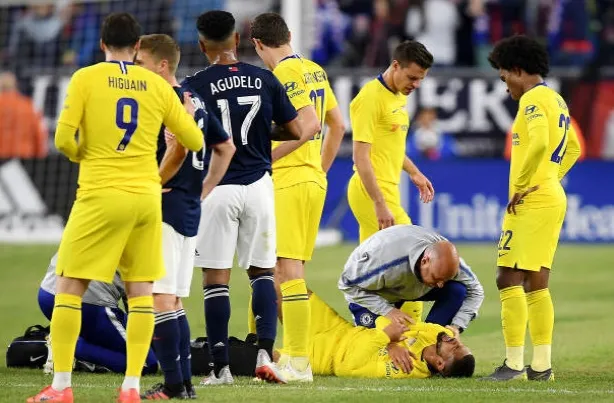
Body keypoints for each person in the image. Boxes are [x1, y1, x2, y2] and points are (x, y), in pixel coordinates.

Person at [27, 13, 204, 403]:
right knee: (141, 294)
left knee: (69, 289)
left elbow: (62, 140)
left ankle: (60, 388)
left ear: (103, 44)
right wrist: (186, 121)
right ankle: (131, 389)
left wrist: (86, 153)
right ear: (138, 46)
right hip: (145, 198)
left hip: (100, 194)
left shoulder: (86, 78)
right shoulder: (155, 85)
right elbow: (192, 140)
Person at [181, 10, 303, 385]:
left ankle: (221, 369)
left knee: (216, 280)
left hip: (218, 188)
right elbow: (297, 129)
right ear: (237, 40)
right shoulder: (265, 78)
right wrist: (263, 137)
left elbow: (185, 135)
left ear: (203, 45)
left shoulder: (194, 85)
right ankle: (265, 356)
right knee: (263, 273)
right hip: (260, 187)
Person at [134, 34, 235, 400]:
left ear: (163, 65)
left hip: (166, 205)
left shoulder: (166, 101)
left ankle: (174, 384)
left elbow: (176, 147)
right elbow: (226, 147)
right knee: (173, 300)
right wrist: (204, 188)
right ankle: (185, 383)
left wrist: (152, 184)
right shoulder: (197, 101)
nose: (136, 70)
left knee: (160, 298)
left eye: (141, 63)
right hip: (189, 205)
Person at [250, 11, 346, 383]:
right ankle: (292, 354)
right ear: (289, 34)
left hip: (290, 181)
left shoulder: (284, 74)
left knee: (286, 270)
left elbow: (311, 126)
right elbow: (337, 124)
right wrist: (319, 168)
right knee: (288, 270)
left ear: (257, 45)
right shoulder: (314, 69)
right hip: (311, 181)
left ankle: (300, 363)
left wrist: (268, 157)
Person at [482, 35, 582, 381]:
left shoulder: (533, 100)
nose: (504, 83)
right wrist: (550, 177)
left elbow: (538, 141)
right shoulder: (557, 100)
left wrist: (524, 183)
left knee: (507, 275)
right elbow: (574, 149)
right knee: (537, 282)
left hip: (534, 199)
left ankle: (512, 365)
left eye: (504, 75)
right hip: (551, 194)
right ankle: (541, 367)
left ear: (519, 70)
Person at [347, 40, 436, 325]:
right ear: (395, 65)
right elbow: (361, 157)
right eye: (412, 77)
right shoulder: (369, 98)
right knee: (415, 262)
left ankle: (373, 339)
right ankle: (412, 338)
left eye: (421, 79)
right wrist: (379, 203)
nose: (416, 85)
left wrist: (413, 171)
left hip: (387, 191)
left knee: (374, 276)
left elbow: (391, 147)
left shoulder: (399, 96)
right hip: (370, 192)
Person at [198, 292, 475, 379]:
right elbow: (401, 325)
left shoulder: (399, 369)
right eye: (457, 340)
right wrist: (393, 341)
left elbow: (347, 366)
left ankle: (203, 355)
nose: (452, 338)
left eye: (454, 347)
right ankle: (255, 337)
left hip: (322, 355)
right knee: (279, 281)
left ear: (439, 364)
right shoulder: (436, 335)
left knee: (250, 360)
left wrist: (384, 339)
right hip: (336, 328)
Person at [338, 225, 484, 337]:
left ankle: (430, 340)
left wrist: (456, 326)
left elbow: (476, 291)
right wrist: (387, 310)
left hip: (408, 285)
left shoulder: (448, 263)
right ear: (425, 261)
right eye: (436, 278)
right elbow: (347, 284)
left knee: (457, 290)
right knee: (380, 349)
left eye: (445, 279)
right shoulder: (385, 262)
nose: (440, 285)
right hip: (376, 293)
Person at [38, 253, 158, 375]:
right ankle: (69, 346)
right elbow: (141, 304)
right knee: (146, 363)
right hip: (87, 302)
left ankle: (65, 339)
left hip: (48, 292)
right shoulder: (149, 241)